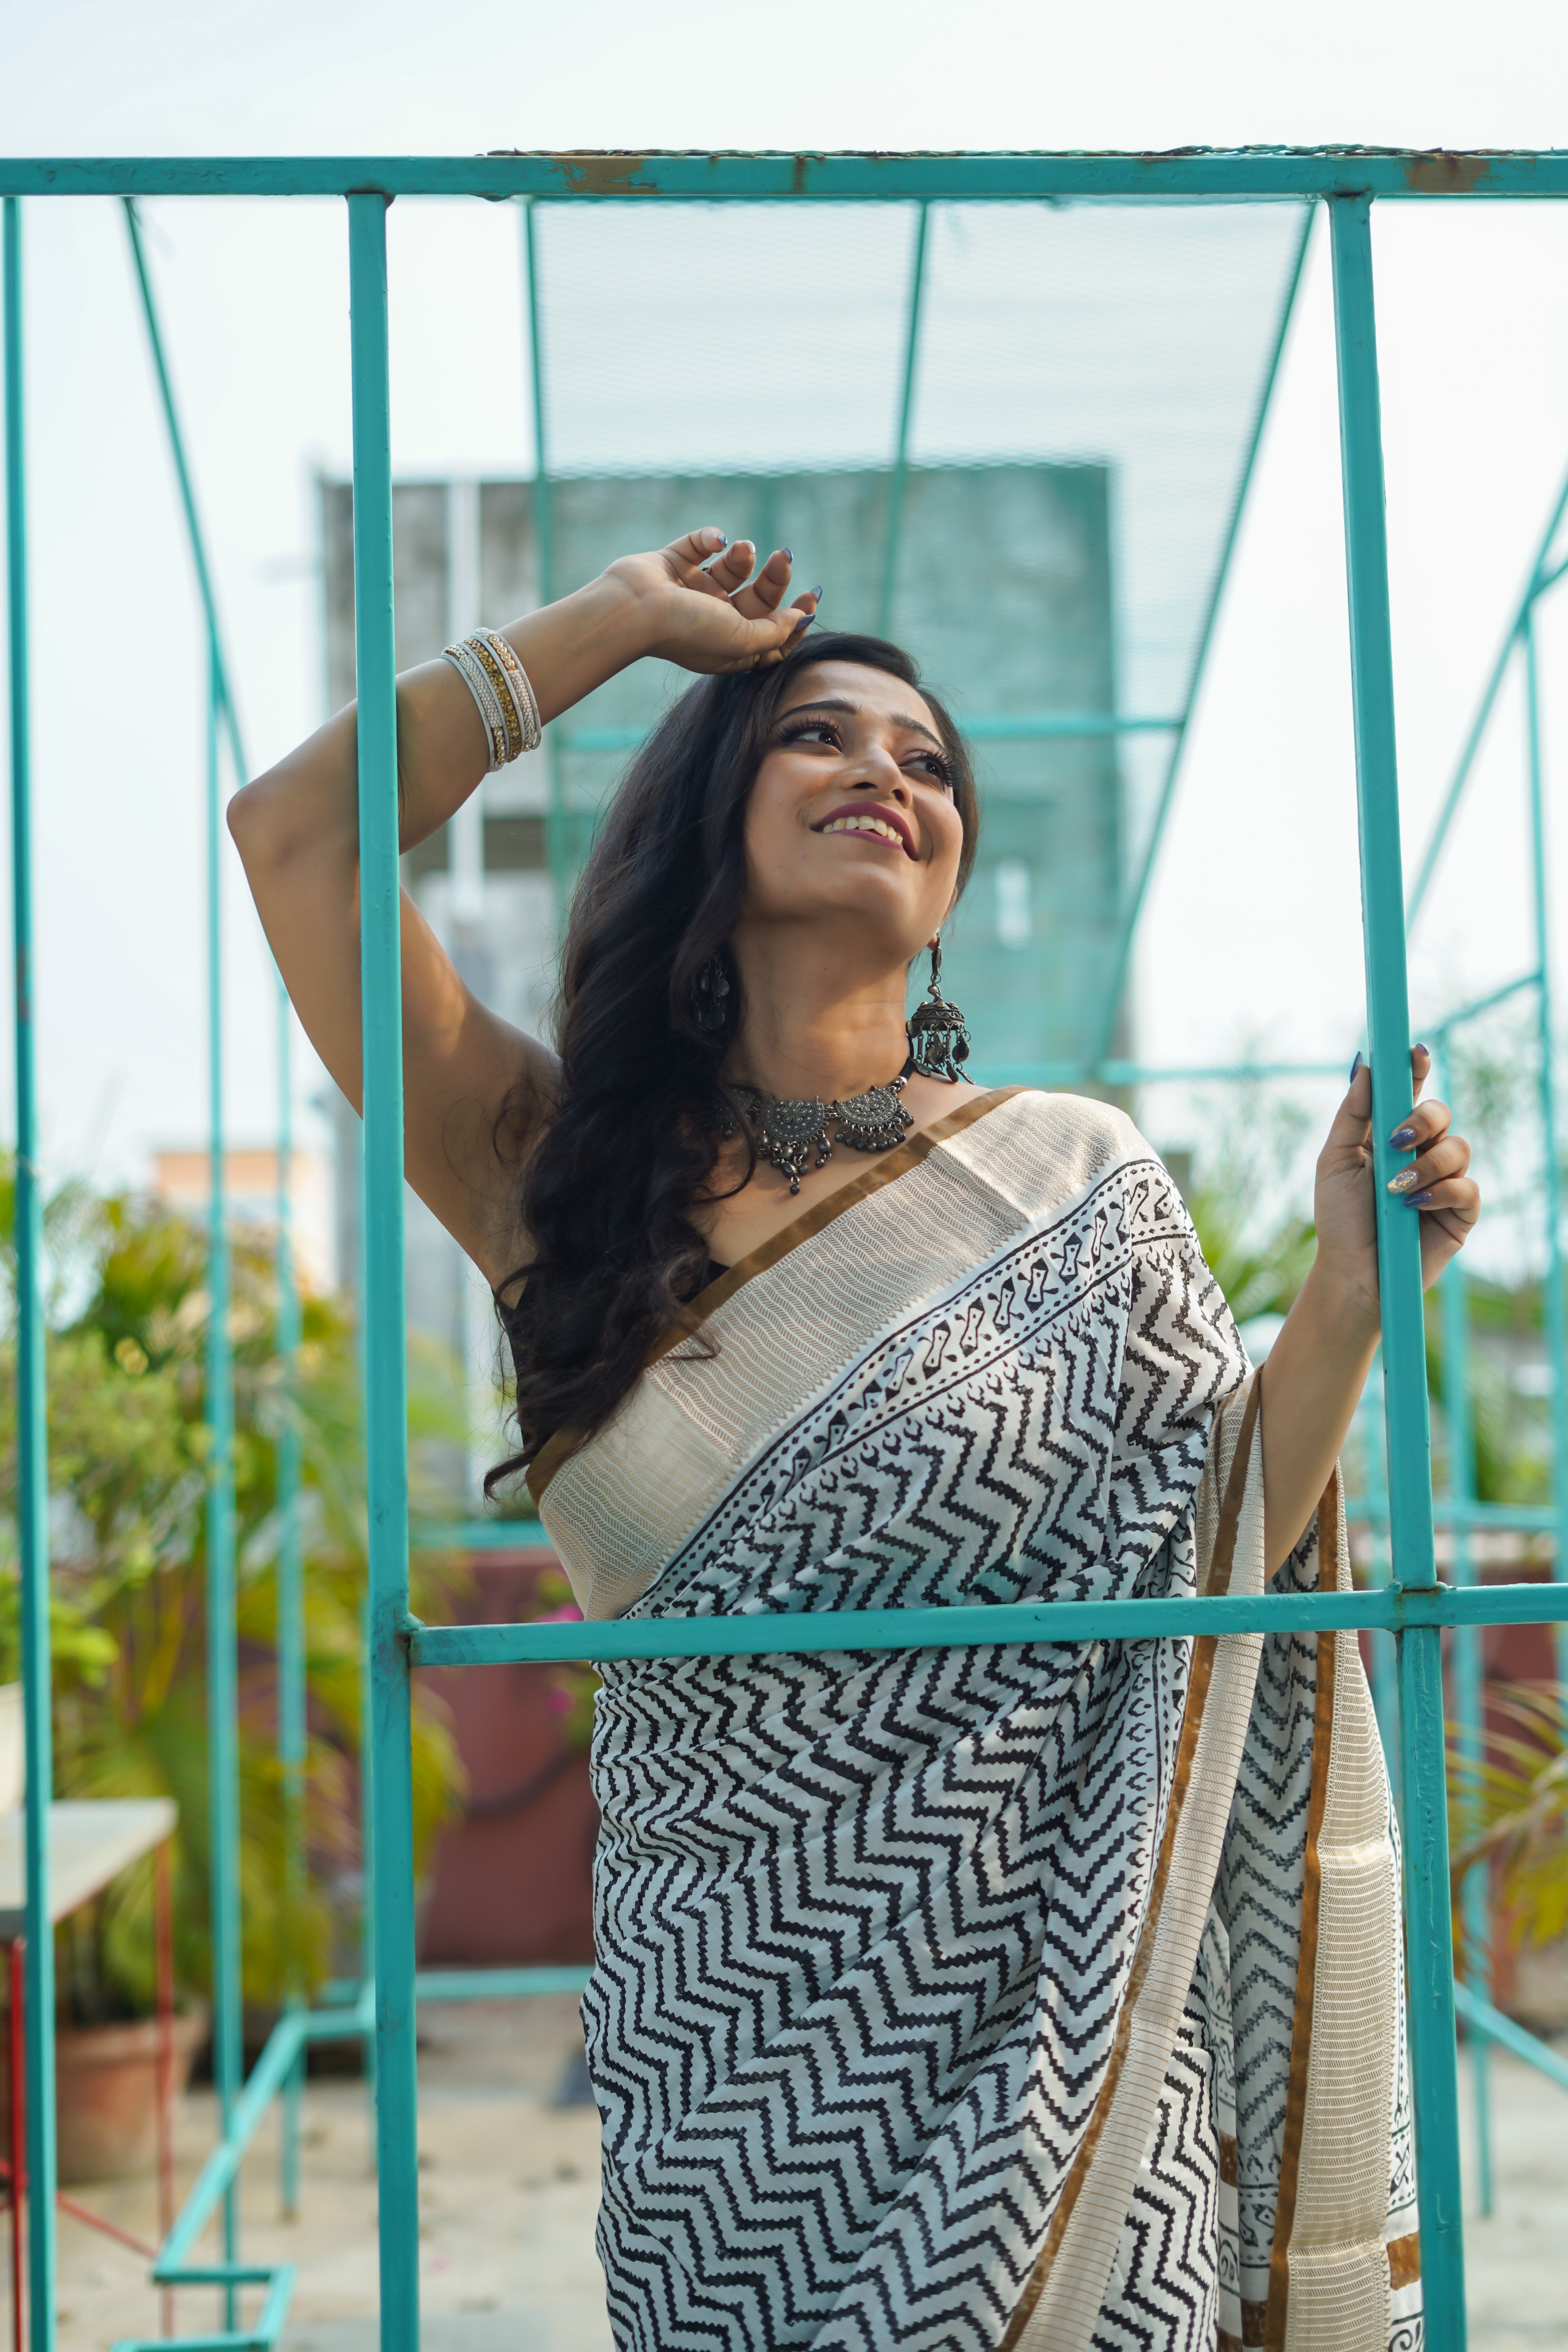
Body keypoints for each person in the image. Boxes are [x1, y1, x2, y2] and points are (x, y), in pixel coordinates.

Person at [230, 530, 1478, 2352]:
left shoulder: (1072, 1177)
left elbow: (1210, 1544)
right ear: (711, 808)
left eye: (928, 762)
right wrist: (621, 626)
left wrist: (1351, 1302)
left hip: (1071, 2051)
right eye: (820, 734)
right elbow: (298, 840)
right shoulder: (549, 1175)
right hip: (736, 2092)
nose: (889, 773)